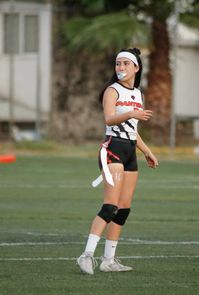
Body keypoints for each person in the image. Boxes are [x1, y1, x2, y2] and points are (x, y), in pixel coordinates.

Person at [76, 48, 158, 275]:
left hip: (130, 151)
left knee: (123, 210)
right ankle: (86, 256)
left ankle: (108, 260)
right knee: (110, 206)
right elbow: (110, 118)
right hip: (113, 149)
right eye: (117, 64)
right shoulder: (112, 91)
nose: (120, 68)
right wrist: (131, 114)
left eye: (125, 64)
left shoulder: (138, 94)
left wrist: (147, 151)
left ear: (136, 68)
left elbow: (133, 131)